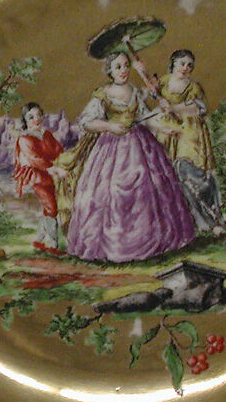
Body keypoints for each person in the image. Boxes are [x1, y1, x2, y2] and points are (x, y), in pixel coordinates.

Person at [61, 51, 196, 263]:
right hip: (111, 149)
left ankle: (151, 242)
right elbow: (86, 122)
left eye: (126, 65)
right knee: (111, 191)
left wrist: (163, 128)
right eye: (118, 67)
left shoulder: (134, 90)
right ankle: (114, 248)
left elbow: (144, 118)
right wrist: (109, 126)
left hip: (141, 145)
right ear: (109, 70)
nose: (123, 70)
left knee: (149, 186)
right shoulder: (103, 94)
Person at [140, 49, 226, 235]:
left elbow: (198, 109)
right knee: (170, 174)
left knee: (190, 171)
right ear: (173, 63)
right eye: (182, 63)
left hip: (190, 130)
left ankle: (213, 219)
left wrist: (173, 107)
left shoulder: (193, 87)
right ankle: (185, 224)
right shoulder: (164, 81)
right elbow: (153, 95)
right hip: (168, 130)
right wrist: (147, 82)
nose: (185, 68)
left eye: (190, 65)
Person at [12, 102, 66, 254]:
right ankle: (52, 244)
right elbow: (35, 159)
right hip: (36, 175)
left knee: (49, 206)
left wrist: (63, 162)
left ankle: (39, 240)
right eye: (31, 117)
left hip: (49, 172)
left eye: (38, 115)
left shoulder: (46, 134)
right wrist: (53, 168)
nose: (36, 119)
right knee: (52, 206)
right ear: (25, 121)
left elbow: (58, 150)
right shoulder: (25, 139)